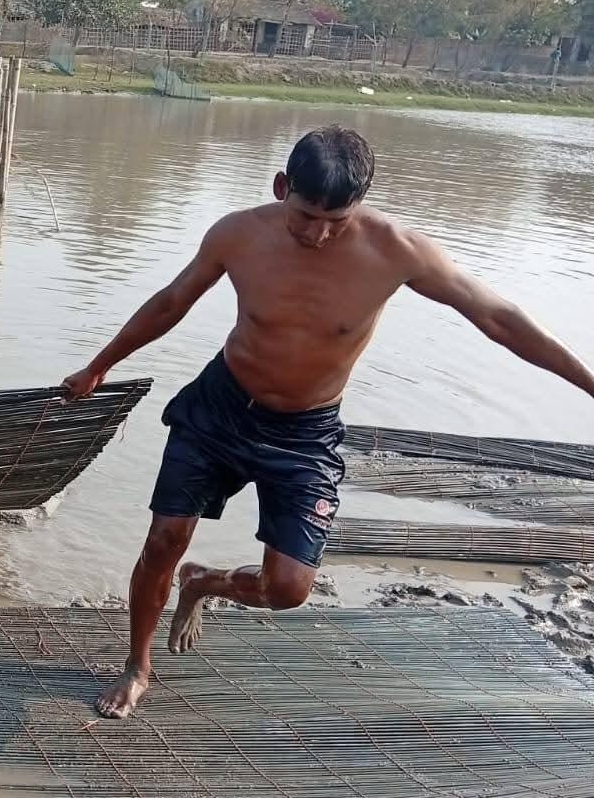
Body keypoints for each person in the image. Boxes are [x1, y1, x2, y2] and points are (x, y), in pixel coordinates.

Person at [62, 125, 594, 719]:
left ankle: (204, 583)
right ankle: (137, 665)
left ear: (360, 204)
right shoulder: (238, 234)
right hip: (220, 408)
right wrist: (99, 366)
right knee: (163, 539)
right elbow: (171, 302)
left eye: (335, 222)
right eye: (306, 216)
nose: (317, 234)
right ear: (281, 186)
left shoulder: (398, 251)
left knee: (287, 589)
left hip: (305, 430)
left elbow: (500, 318)